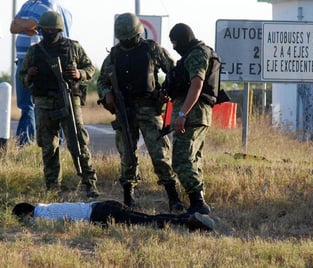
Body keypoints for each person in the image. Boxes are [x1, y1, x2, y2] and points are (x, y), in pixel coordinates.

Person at [97, 13, 184, 211]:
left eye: (130, 38)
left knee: (160, 154)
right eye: (123, 39)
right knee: (127, 155)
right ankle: (129, 198)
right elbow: (102, 81)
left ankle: (174, 198)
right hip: (124, 111)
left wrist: (167, 91)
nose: (126, 42)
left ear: (138, 34)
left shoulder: (152, 50)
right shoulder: (113, 56)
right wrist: (106, 94)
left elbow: (173, 71)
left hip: (148, 109)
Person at [19, 11, 99, 198]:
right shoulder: (34, 51)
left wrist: (79, 73)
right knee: (49, 146)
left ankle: (89, 183)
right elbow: (23, 78)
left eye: (51, 30)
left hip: (69, 100)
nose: (48, 33)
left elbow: (90, 68)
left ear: (59, 30)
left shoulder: (73, 47)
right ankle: (53, 186)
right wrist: (29, 74)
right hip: (44, 103)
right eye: (44, 30)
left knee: (77, 142)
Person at [165, 23, 220, 215]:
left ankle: (198, 202)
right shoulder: (196, 53)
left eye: (175, 43)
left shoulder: (197, 54)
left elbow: (197, 85)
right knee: (193, 159)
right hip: (197, 114)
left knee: (181, 160)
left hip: (192, 114)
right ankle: (198, 201)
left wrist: (182, 114)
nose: (174, 47)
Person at [10, 0, 72, 147]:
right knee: (25, 105)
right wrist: (25, 24)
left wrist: (21, 23)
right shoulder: (28, 4)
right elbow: (12, 27)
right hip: (22, 60)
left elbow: (29, 25)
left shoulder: (48, 4)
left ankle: (32, 143)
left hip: (38, 61)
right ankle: (26, 143)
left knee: (39, 105)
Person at [12, 200, 215, 231]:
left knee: (145, 222)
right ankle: (184, 217)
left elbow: (41, 226)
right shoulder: (46, 206)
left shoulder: (42, 218)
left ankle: (187, 222)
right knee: (144, 217)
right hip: (102, 205)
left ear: (28, 215)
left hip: (99, 214)